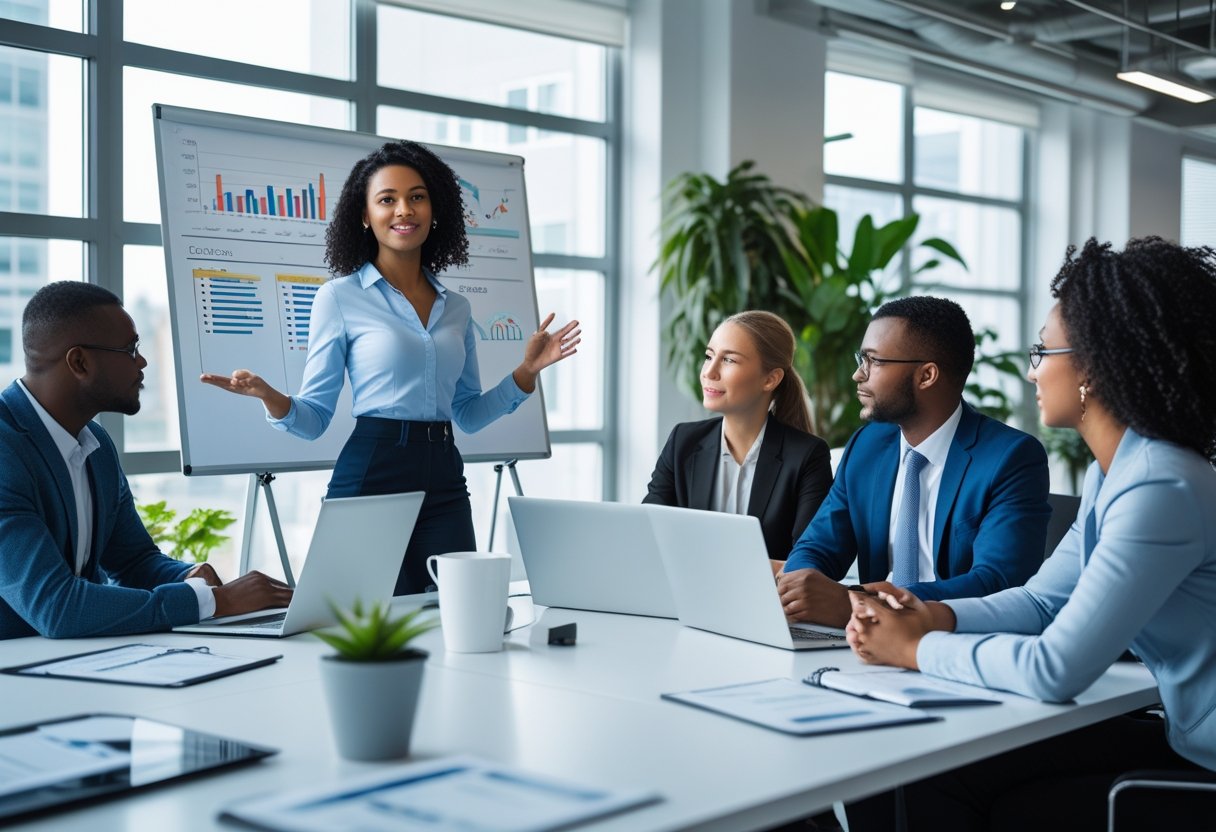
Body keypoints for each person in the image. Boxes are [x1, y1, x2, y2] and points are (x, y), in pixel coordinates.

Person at [846, 237, 1216, 830]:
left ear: (1095, 364)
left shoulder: (1159, 487)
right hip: (1183, 733)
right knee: (911, 768)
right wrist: (932, 616)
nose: (1030, 369)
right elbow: (1044, 600)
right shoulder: (1114, 472)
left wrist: (912, 649)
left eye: (1043, 350)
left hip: (1203, 766)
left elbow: (1056, 668)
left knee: (994, 799)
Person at [202, 140, 580, 595]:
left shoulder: (456, 307)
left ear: (434, 209)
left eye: (417, 196)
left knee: (457, 612)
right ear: (365, 216)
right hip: (373, 469)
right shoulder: (339, 298)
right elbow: (313, 419)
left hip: (444, 473)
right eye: (387, 199)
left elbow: (468, 414)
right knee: (364, 621)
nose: (405, 209)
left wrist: (526, 373)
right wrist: (269, 396)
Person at [0, 282, 292, 640]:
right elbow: (58, 608)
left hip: (75, 663)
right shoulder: (5, 450)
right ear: (79, 362)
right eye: (129, 349)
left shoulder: (97, 445)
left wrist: (189, 576)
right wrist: (216, 602)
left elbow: (133, 561)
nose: (141, 361)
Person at [778, 296, 1051, 629]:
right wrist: (799, 586)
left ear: (926, 376)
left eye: (872, 361)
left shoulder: (1010, 458)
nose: (857, 374)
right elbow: (817, 546)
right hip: (867, 643)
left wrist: (863, 603)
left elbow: (997, 583)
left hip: (954, 644)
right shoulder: (867, 446)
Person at [643, 310, 832, 561]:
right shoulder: (683, 442)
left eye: (729, 360)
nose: (709, 372)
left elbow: (809, 563)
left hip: (767, 599)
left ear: (771, 379)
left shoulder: (807, 456)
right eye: (709, 356)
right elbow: (648, 535)